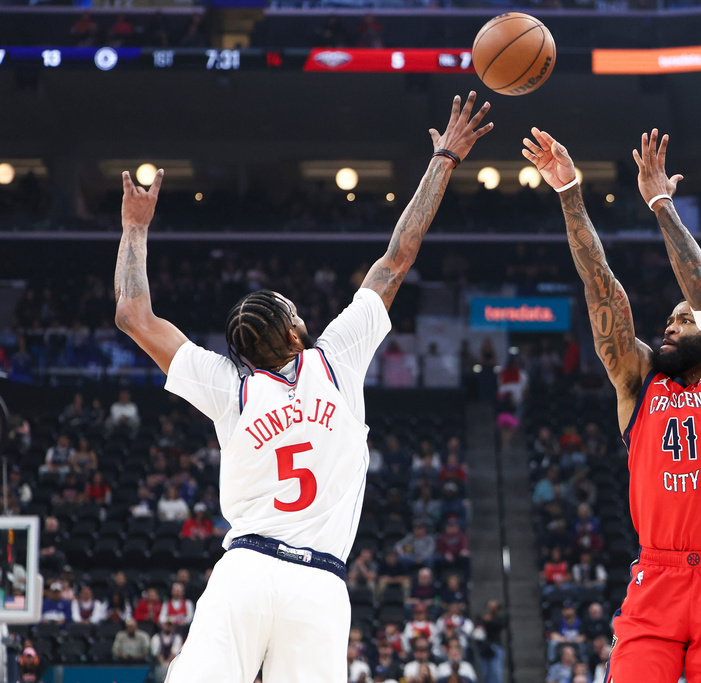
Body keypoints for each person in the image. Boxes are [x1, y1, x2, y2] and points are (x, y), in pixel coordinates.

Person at [110, 92, 492, 682]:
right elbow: (397, 258)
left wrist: (135, 229)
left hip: (246, 571)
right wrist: (443, 159)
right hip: (317, 584)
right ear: (295, 327)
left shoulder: (228, 386)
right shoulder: (335, 357)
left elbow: (134, 315)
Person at [522, 127, 701, 682]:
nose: (670, 326)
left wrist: (661, 207)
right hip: (655, 575)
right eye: (669, 321)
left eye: (682, 321)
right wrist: (569, 193)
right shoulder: (638, 382)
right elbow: (601, 286)